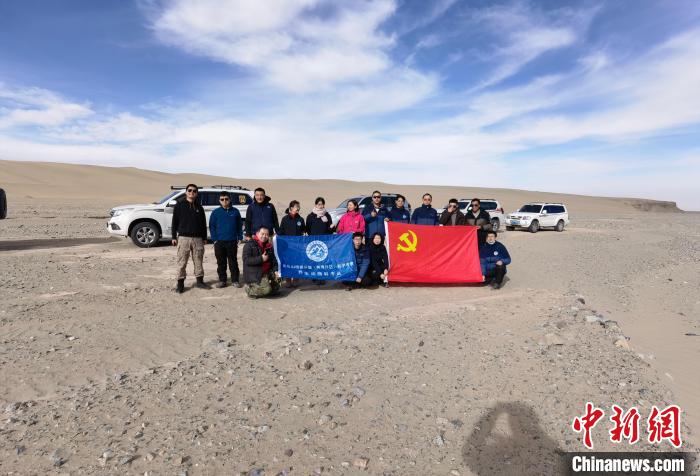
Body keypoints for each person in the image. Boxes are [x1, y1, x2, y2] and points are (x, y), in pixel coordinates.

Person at [171, 184, 210, 293]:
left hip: (198, 239)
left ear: (196, 193)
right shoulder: (179, 205)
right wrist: (174, 236)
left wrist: (204, 237)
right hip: (184, 238)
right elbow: (175, 222)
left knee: (198, 260)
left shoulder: (199, 207)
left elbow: (203, 224)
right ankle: (180, 284)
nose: (192, 192)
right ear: (186, 192)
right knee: (182, 261)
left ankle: (200, 282)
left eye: (194, 191)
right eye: (189, 190)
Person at [209, 191, 243, 288]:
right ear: (219, 201)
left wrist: (240, 237)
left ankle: (235, 280)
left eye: (226, 199)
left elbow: (239, 226)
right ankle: (222, 280)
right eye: (222, 199)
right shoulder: (215, 212)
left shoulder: (235, 211)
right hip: (219, 242)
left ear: (230, 199)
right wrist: (215, 239)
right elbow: (212, 226)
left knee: (233, 262)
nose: (224, 201)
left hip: (232, 241)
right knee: (221, 262)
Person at [242, 226, 281, 298]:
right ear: (257, 234)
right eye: (262, 234)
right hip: (254, 274)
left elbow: (274, 260)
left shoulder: (269, 246)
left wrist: (275, 271)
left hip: (266, 272)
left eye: (266, 234)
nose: (264, 236)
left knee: (277, 286)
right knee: (266, 290)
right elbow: (246, 260)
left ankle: (264, 286)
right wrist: (261, 259)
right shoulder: (249, 245)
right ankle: (250, 289)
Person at [305, 197, 334, 285]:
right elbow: (308, 229)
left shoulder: (327, 215)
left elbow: (330, 229)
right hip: (314, 241)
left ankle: (322, 277)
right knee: (314, 259)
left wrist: (332, 228)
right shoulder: (310, 216)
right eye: (319, 204)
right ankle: (315, 276)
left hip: (325, 241)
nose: (320, 206)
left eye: (322, 204)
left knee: (323, 259)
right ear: (315, 205)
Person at [278, 200, 305, 288]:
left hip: (297, 246)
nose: (298, 208)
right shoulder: (285, 219)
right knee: (288, 262)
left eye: (298, 207)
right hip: (287, 246)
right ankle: (288, 280)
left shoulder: (300, 219)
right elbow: (281, 231)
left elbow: (303, 231)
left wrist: (304, 233)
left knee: (297, 262)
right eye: (296, 207)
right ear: (291, 208)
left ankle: (296, 279)